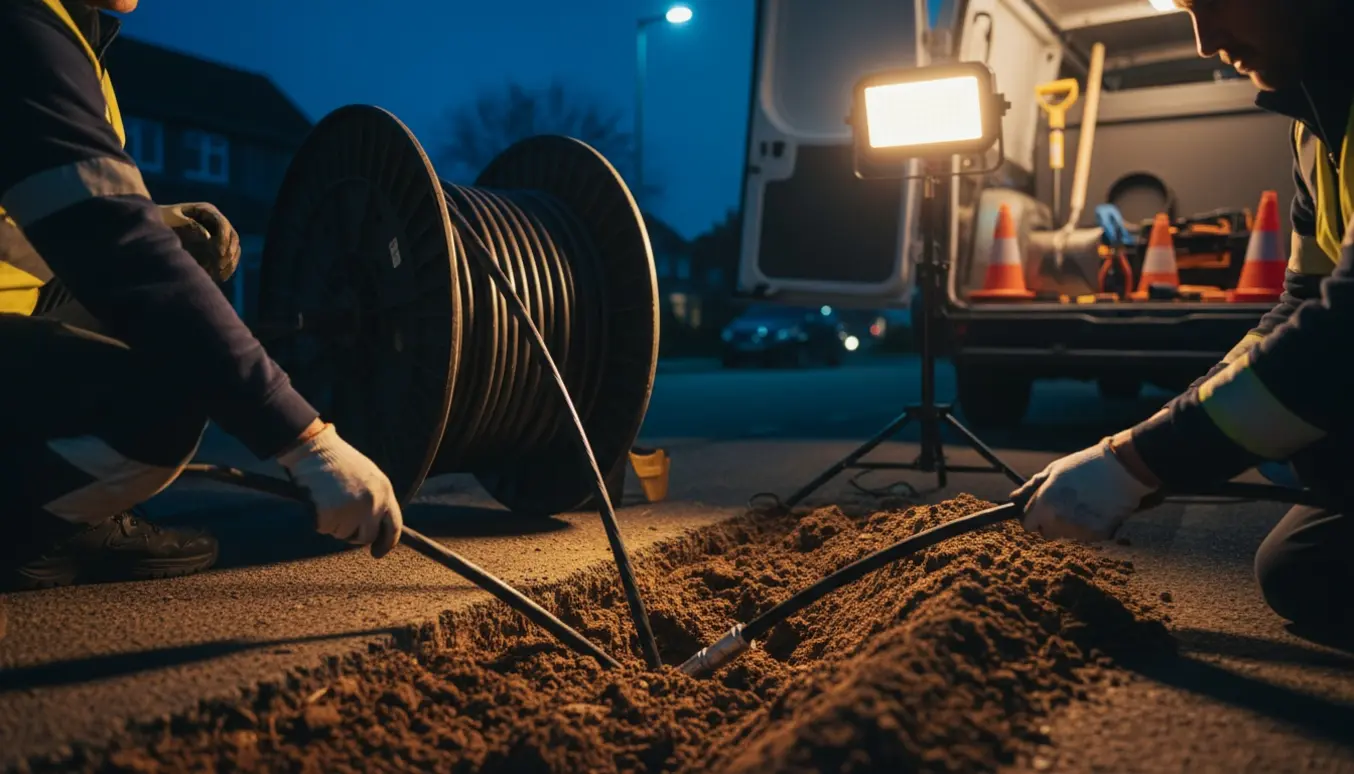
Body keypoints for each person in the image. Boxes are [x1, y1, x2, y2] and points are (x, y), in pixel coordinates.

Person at [0, 0, 404, 604]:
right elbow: (119, 251)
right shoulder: (20, 28)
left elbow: (54, 220)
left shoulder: (79, 44)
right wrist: (304, 439)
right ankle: (30, 522)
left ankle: (55, 512)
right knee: (162, 405)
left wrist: (155, 222)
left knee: (179, 271)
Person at [1015, 0, 1353, 638]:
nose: (1205, 41)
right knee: (1303, 568)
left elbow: (1345, 335)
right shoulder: (1316, 125)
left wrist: (1139, 465)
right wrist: (1156, 431)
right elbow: (1303, 302)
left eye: (1216, 3)